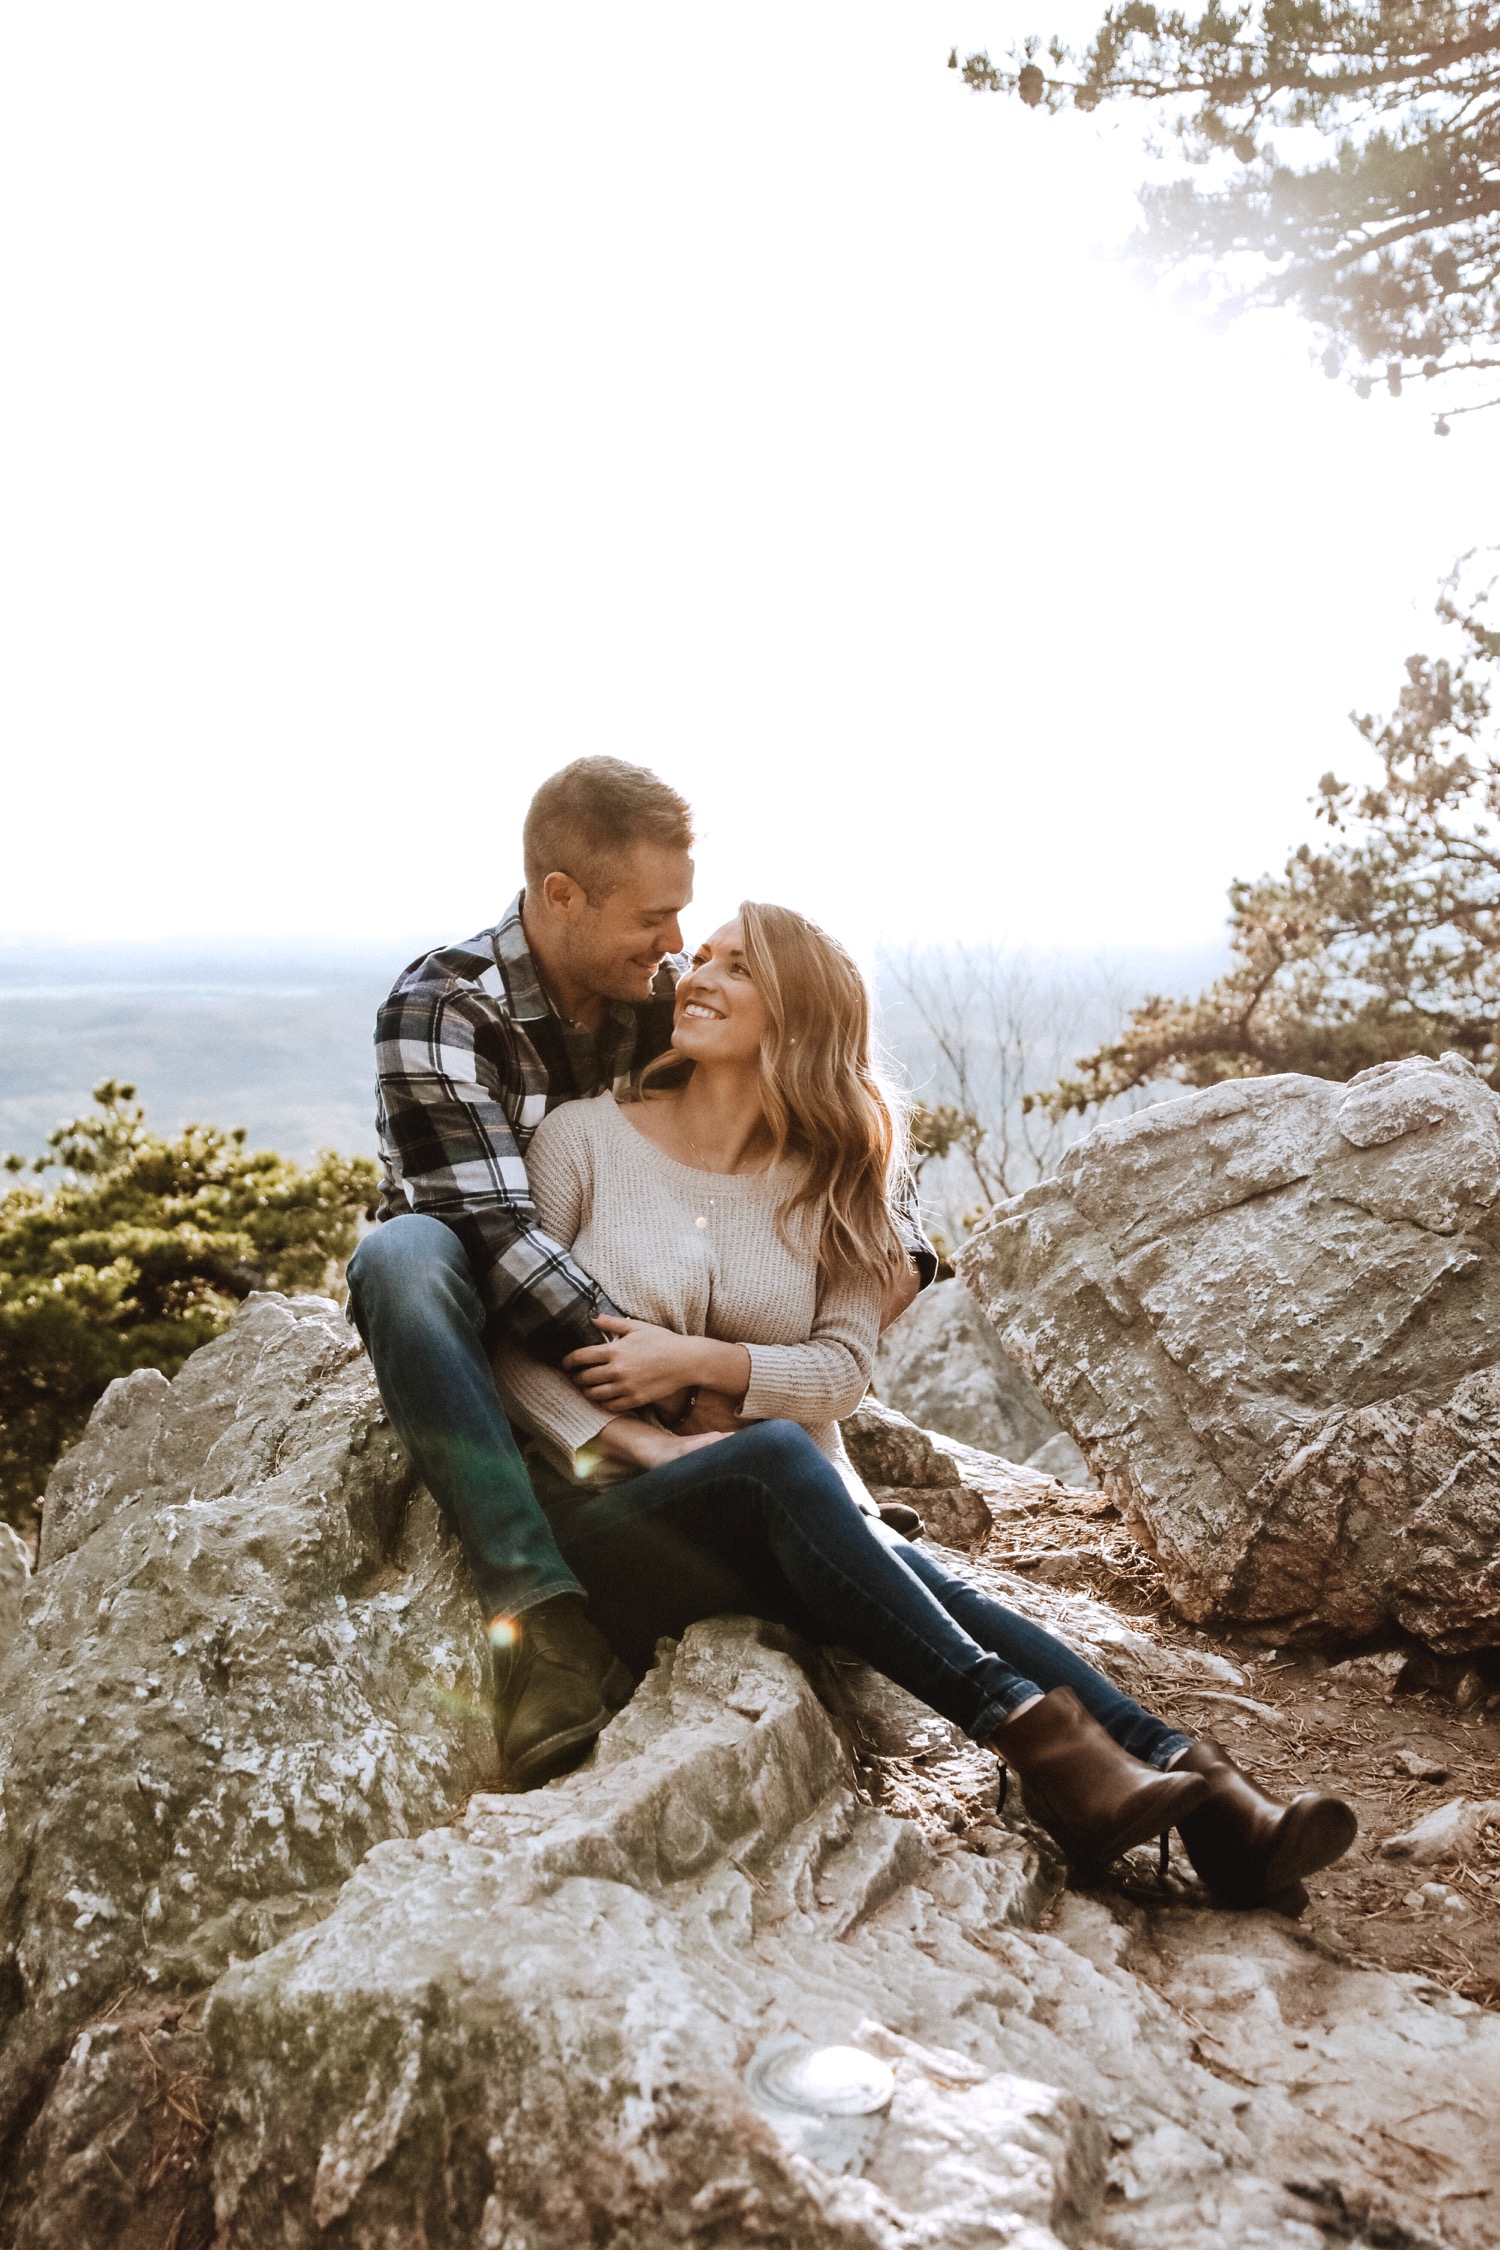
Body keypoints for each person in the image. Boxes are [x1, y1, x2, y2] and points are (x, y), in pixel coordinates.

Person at [491, 899, 1359, 1909]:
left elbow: (840, 1373)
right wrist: (644, 1446)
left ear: (801, 1017)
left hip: (771, 1515)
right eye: (702, 959)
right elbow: (507, 1349)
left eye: (739, 968)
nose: (698, 977)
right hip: (607, 1518)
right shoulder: (582, 1141)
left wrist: (704, 1360)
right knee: (789, 1468)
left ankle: (1213, 1807)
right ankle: (1045, 1742)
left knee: (906, 1560)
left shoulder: (835, 1176)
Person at [346, 757, 934, 1793]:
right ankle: (539, 1619)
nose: (674, 947)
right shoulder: (444, 1007)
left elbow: (784, 1111)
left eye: (685, 920)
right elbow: (497, 1245)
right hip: (472, 1308)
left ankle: (837, 1526)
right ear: (560, 898)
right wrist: (673, 1380)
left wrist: (892, 1260)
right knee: (403, 1255)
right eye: (655, 918)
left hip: (614, 1335)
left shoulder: (660, 998)